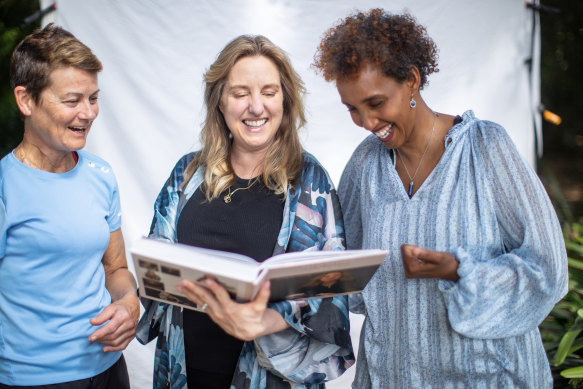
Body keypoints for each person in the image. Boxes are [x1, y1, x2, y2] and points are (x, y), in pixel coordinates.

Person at [312, 8, 568, 388]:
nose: (366, 122)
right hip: (391, 375)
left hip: (488, 377)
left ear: (412, 80)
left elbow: (548, 270)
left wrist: (457, 269)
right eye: (353, 108)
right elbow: (344, 272)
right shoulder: (366, 164)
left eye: (376, 103)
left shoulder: (485, 148)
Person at [136, 35, 354, 389]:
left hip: (271, 377)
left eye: (268, 92)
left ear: (285, 100)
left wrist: (263, 321)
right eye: (240, 93)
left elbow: (332, 289)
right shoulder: (186, 174)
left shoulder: (309, 178)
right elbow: (153, 271)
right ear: (220, 102)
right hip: (184, 373)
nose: (256, 107)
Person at [0, 24, 139, 388]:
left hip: (109, 370)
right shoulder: (4, 186)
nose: (89, 112)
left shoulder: (100, 174)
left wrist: (128, 302)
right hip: (34, 380)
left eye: (93, 98)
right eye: (72, 100)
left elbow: (116, 267)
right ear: (26, 100)